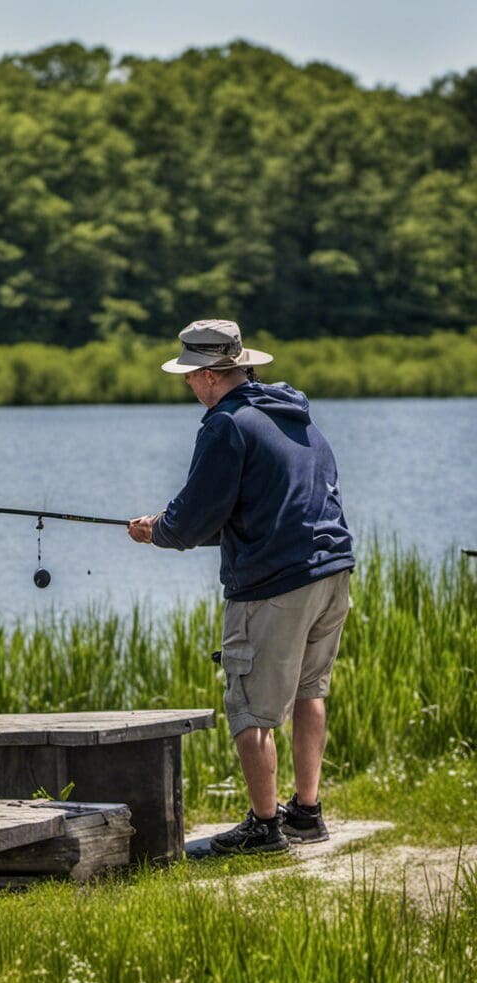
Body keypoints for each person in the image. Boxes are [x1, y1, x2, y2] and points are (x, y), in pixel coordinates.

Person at [128, 319, 354, 855]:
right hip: (332, 570)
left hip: (274, 584)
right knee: (309, 691)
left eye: (188, 374)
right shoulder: (293, 413)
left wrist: (154, 530)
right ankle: (307, 813)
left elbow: (190, 521)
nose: (186, 384)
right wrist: (177, 527)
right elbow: (263, 508)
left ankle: (264, 827)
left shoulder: (225, 424)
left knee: (250, 707)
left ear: (210, 375)